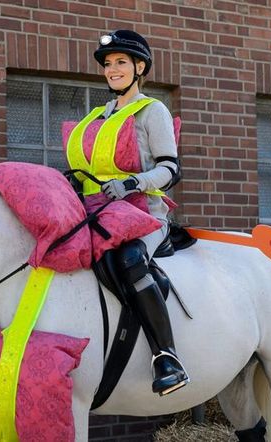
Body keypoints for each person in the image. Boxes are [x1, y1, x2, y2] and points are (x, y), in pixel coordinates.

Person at [64, 30, 189, 396]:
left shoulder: (153, 111)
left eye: (121, 62)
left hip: (141, 215)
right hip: (94, 214)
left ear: (139, 67)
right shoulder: (94, 119)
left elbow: (170, 170)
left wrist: (132, 183)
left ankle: (167, 357)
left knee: (130, 259)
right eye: (108, 64)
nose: (112, 69)